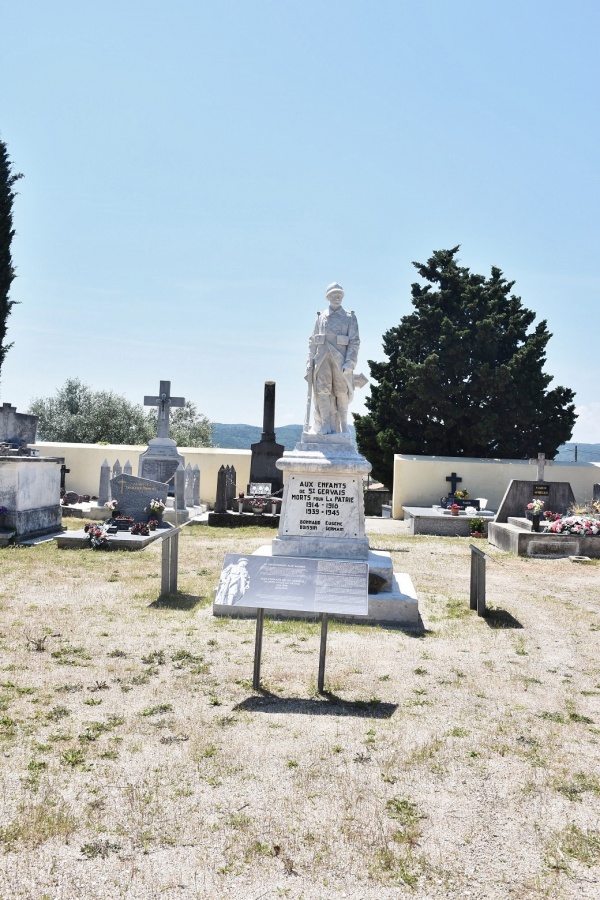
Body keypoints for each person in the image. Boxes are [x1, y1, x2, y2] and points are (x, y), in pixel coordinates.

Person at [305, 282, 360, 434]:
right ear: (328, 297)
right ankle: (325, 424)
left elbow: (354, 341)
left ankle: (343, 424)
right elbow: (312, 340)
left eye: (340, 295)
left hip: (341, 360)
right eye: (334, 295)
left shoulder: (350, 317)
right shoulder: (320, 317)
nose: (337, 298)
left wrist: (350, 361)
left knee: (341, 391)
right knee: (322, 391)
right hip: (322, 359)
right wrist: (310, 360)